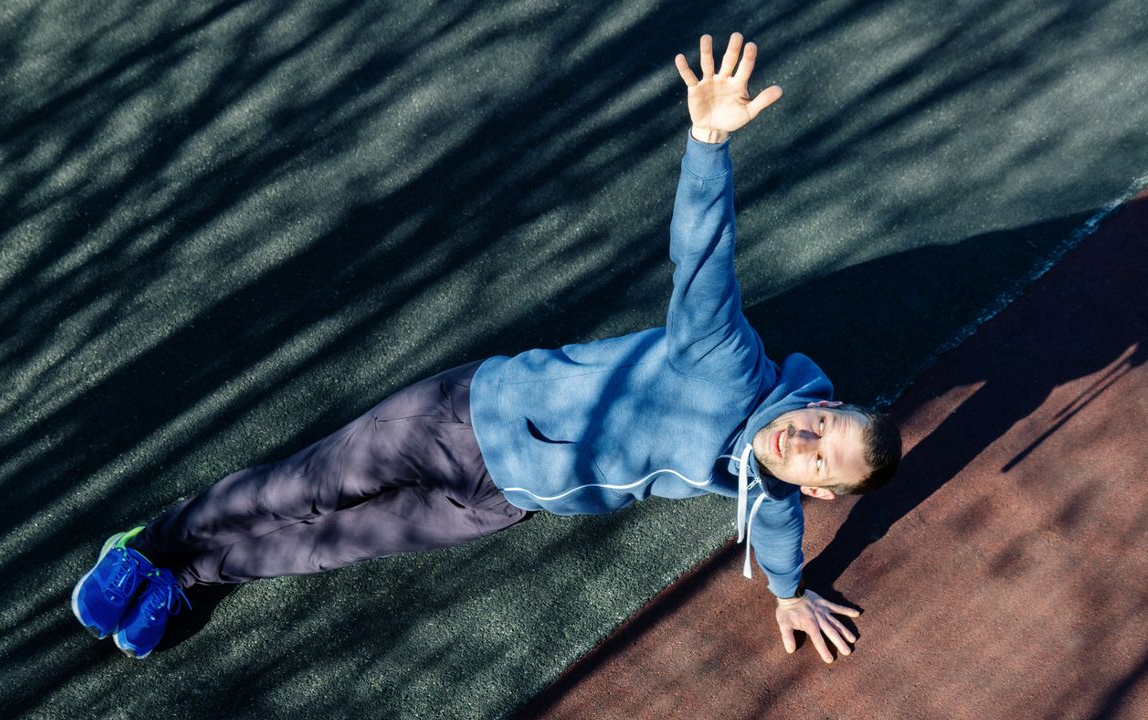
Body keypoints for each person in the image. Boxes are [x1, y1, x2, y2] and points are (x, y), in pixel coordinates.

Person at [70, 32, 903, 663]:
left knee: (328, 546)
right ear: (818, 405)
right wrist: (709, 146)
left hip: (500, 501)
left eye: (820, 463)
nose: (804, 446)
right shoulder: (725, 363)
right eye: (820, 430)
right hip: (463, 417)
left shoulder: (772, 491)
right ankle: (148, 544)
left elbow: (780, 535)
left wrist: (791, 597)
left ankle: (184, 583)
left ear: (818, 489)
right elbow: (703, 253)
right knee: (306, 489)